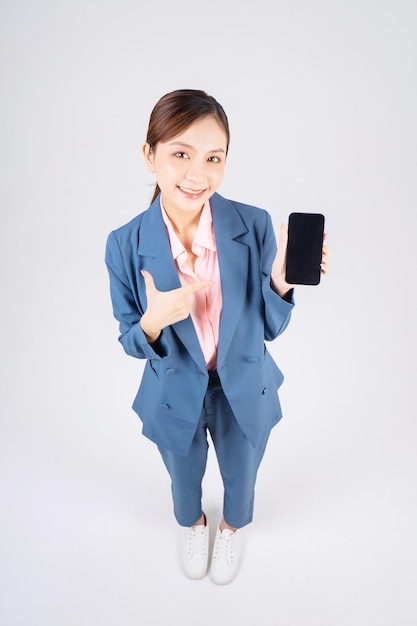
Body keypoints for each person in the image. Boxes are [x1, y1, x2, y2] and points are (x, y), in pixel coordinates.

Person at [105, 89, 329, 585]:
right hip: (172, 394)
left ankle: (230, 527)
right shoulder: (123, 244)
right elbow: (128, 338)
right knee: (183, 482)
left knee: (242, 475)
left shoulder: (253, 224)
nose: (197, 173)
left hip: (243, 387)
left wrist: (280, 281)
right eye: (180, 153)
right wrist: (153, 320)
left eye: (213, 158)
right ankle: (195, 524)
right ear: (150, 155)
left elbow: (269, 327)